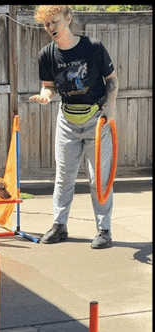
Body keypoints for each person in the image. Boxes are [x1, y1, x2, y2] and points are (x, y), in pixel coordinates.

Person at [30, 5, 118, 248]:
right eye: (47, 24)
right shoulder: (46, 54)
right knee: (63, 177)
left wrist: (109, 111)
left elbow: (112, 81)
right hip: (67, 120)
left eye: (55, 22)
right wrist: (46, 95)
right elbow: (49, 85)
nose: (51, 28)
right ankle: (60, 226)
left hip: (96, 120)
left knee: (98, 178)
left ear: (68, 19)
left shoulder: (93, 47)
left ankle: (104, 230)